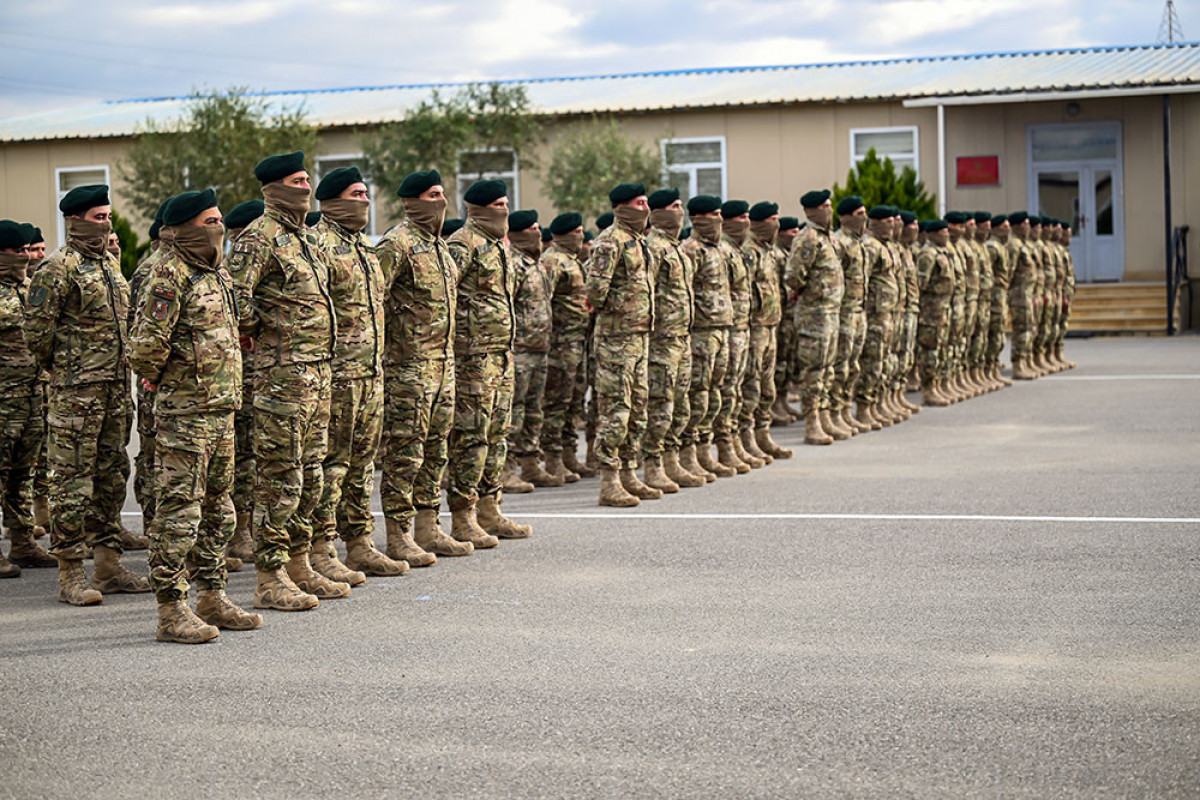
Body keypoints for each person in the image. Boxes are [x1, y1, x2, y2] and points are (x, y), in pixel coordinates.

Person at [129, 189, 261, 643]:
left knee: (219, 511)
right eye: (210, 221)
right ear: (185, 227)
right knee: (180, 512)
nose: (218, 228)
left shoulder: (215, 271)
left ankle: (212, 595)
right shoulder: (168, 275)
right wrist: (168, 381)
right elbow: (145, 348)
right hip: (185, 413)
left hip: (221, 409)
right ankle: (171, 609)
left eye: (220, 220)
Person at [230, 150, 346, 612]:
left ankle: (299, 563)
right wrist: (261, 333)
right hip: (282, 377)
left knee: (310, 475)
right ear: (275, 188)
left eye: (307, 179)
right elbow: (235, 296)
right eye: (298, 181)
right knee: (279, 479)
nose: (306, 187)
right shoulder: (258, 238)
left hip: (316, 373)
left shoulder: (306, 239)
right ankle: (269, 575)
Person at [25, 184, 149, 604]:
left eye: (108, 217)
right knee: (72, 484)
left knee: (113, 478)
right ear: (76, 220)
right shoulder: (58, 269)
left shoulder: (110, 268)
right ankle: (71, 573)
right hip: (76, 396)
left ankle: (109, 565)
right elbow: (36, 334)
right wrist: (66, 372)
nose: (107, 223)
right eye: (100, 217)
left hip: (115, 392)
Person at [310, 166, 405, 580]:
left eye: (367, 194)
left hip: (370, 374)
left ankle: (360, 544)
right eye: (356, 193)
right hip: (337, 376)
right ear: (332, 200)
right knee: (331, 465)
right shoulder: (319, 245)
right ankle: (320, 547)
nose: (365, 201)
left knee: (362, 465)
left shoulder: (365, 248)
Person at [375, 169, 466, 566]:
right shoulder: (397, 244)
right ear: (412, 202)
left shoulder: (441, 248)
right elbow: (374, 302)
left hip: (442, 366)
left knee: (435, 450)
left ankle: (430, 525)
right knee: (405, 453)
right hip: (408, 369)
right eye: (433, 195)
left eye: (443, 194)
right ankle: (399, 534)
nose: (441, 202)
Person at [446, 179, 531, 540]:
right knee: (471, 437)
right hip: (473, 358)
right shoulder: (461, 245)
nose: (505, 211)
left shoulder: (500, 248)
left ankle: (490, 508)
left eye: (506, 203)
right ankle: (463, 517)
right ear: (479, 209)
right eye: (498, 204)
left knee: (497, 436)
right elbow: (446, 299)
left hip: (500, 355)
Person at [586, 182, 658, 507]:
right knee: (616, 410)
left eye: (646, 203)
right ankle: (609, 481)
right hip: (616, 340)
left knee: (638, 409)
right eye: (639, 203)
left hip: (639, 337)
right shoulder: (609, 242)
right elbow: (594, 292)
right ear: (623, 207)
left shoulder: (639, 242)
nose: (645, 208)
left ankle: (629, 473)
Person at [0, 221, 54, 576]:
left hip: (33, 398)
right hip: (2, 401)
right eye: (15, 251)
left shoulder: (30, 288)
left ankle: (21, 543)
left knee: (23, 473)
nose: (24, 256)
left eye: (26, 251)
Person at [642, 188, 701, 492]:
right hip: (661, 339)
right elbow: (645, 292)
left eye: (681, 206)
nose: (680, 211)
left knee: (681, 404)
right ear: (661, 212)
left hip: (681, 337)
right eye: (674, 206)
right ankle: (653, 466)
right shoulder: (653, 247)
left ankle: (672, 459)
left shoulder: (676, 247)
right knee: (661, 404)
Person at [221, 199, 265, 565]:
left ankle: (248, 530)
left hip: (261, 378)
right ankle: (237, 533)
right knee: (237, 461)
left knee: (254, 460)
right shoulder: (230, 272)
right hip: (239, 378)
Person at [505, 210, 560, 490]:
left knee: (533, 410)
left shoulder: (536, 265)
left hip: (540, 349)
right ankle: (506, 469)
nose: (538, 233)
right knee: (513, 412)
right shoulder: (512, 264)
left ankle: (530, 464)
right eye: (532, 228)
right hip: (520, 349)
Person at [784, 190, 844, 445]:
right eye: (824, 206)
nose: (828, 210)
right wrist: (805, 292)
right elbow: (793, 274)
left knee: (828, 369)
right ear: (811, 211)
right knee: (814, 371)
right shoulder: (807, 238)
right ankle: (812, 423)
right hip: (814, 315)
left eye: (830, 205)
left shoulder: (827, 238)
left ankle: (825, 416)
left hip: (830, 313)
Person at [680, 194, 732, 480]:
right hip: (700, 332)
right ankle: (689, 456)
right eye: (713, 214)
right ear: (698, 219)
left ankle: (704, 452)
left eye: (719, 214)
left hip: (721, 329)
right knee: (697, 396)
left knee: (714, 394)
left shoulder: (718, 249)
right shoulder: (691, 250)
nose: (719, 220)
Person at [540, 212, 593, 483]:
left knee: (574, 401)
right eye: (577, 232)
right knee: (557, 402)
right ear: (564, 234)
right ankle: (552, 458)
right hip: (560, 344)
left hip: (578, 341)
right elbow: (543, 302)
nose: (581, 237)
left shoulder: (573, 260)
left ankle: (570, 454)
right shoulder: (552, 261)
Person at [739, 201, 791, 460]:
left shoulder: (768, 251)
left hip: (770, 325)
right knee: (752, 386)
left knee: (767, 386)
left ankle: (763, 435)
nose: (776, 224)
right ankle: (747, 439)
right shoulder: (748, 252)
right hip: (754, 327)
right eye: (771, 219)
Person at [829, 196, 869, 437]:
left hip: (857, 310)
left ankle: (845, 410)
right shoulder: (839, 242)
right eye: (859, 213)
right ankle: (833, 412)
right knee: (840, 366)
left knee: (853, 366)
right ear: (846, 217)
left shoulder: (858, 242)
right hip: (843, 313)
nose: (863, 218)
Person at [916, 220, 955, 406]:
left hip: (942, 309)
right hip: (930, 312)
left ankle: (937, 385)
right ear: (932, 234)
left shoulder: (943, 252)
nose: (946, 234)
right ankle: (928, 389)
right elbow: (920, 285)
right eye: (942, 231)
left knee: (939, 350)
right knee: (929, 352)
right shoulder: (927, 254)